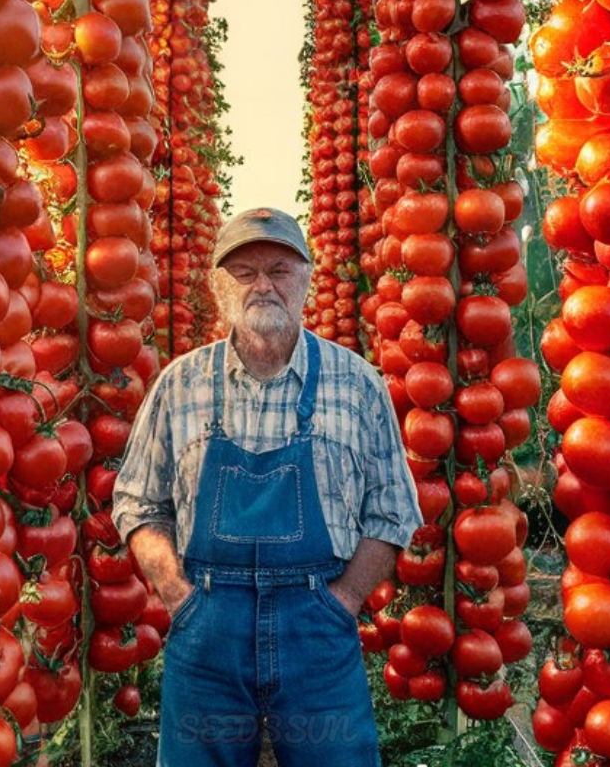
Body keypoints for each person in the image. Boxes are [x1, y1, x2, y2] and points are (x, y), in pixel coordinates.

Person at [111, 207, 421, 767]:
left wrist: (344, 601)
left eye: (279, 269)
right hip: (207, 627)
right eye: (245, 271)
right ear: (218, 285)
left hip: (317, 626)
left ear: (307, 278)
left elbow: (394, 511)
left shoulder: (358, 385)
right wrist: (179, 598)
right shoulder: (179, 384)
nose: (263, 285)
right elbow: (137, 501)